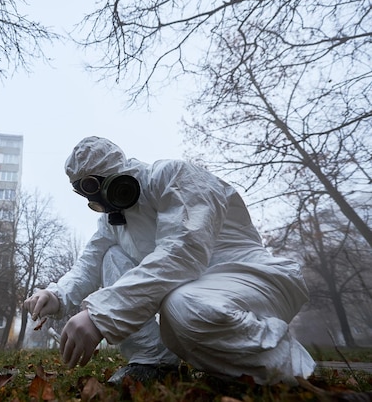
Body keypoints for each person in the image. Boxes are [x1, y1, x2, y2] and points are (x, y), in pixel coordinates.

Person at [23, 136, 315, 385]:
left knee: (183, 307)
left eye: (96, 185)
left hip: (250, 276)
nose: (99, 201)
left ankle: (287, 371)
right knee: (113, 257)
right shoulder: (114, 223)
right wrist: (56, 294)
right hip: (194, 286)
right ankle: (153, 361)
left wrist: (101, 315)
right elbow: (90, 262)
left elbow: (182, 251)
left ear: (119, 176)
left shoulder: (175, 176)